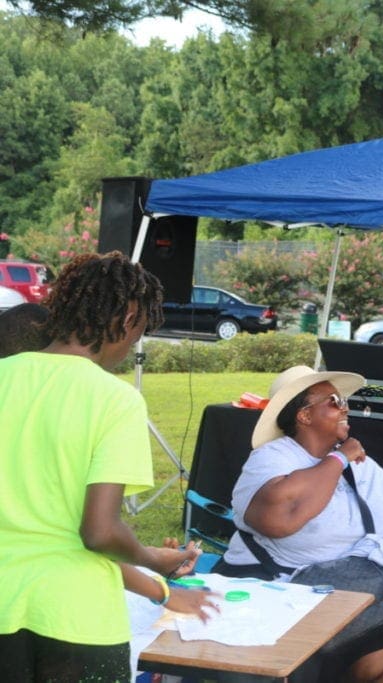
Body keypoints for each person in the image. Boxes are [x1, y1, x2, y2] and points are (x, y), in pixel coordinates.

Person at [0, 252, 216, 683]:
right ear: (128, 315)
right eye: (139, 332)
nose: (133, 345)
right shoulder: (115, 399)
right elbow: (99, 532)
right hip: (76, 620)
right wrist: (153, 558)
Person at [215, 365, 383, 683]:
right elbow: (280, 518)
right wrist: (338, 460)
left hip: (364, 589)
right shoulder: (272, 459)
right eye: (334, 400)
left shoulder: (366, 467)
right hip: (285, 588)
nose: (345, 406)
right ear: (303, 416)